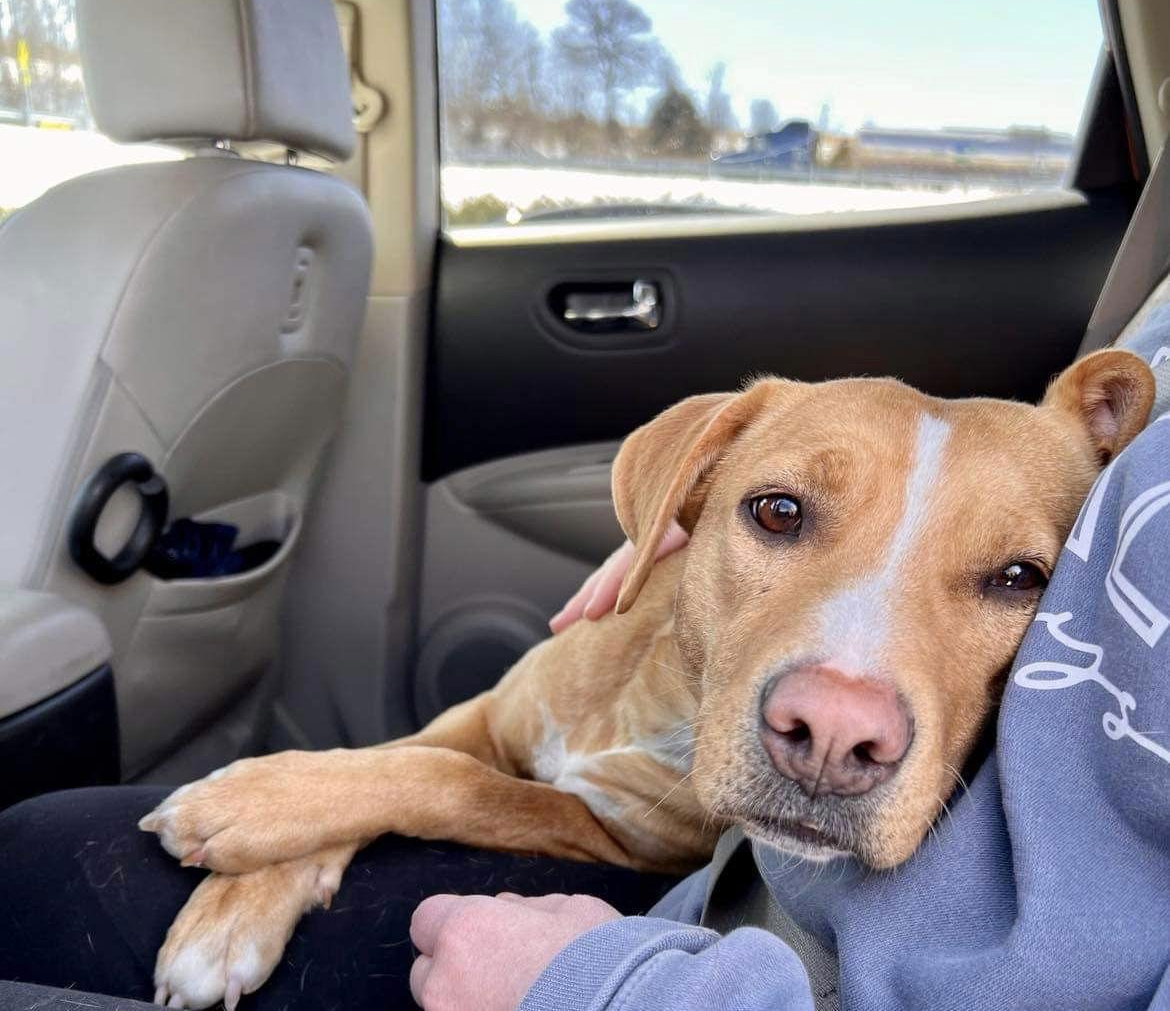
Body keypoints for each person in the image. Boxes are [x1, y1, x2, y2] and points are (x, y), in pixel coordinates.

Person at [3, 313, 1170, 1011]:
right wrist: (334, 816)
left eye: (1012, 578)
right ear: (686, 509)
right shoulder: (633, 631)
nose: (841, 707)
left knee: (36, 864)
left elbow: (606, 829)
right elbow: (480, 735)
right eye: (779, 514)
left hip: (753, 942)